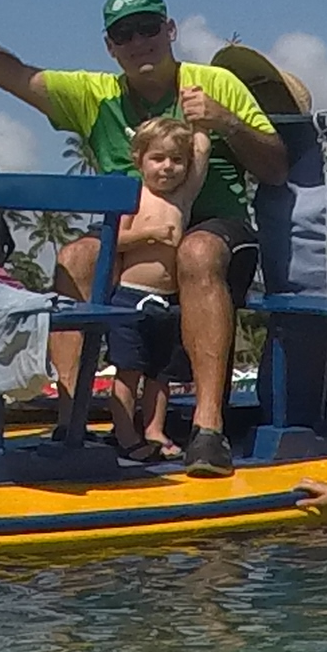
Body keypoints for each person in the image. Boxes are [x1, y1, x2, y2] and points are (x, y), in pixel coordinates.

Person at [0, 0, 285, 475]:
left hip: (217, 235)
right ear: (110, 47)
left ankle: (208, 430)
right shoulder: (95, 95)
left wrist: (226, 122)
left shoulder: (215, 82)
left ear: (170, 30)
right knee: (75, 255)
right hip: (131, 243)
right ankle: (71, 422)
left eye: (148, 28)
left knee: (196, 251)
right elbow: (11, 71)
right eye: (124, 34)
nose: (139, 42)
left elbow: (276, 164)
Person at [96, 116, 207, 462]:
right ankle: (125, 433)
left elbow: (202, 155)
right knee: (128, 370)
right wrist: (149, 236)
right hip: (129, 296)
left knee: (161, 374)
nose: (168, 168)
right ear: (139, 160)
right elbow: (112, 241)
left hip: (167, 299)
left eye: (176, 160)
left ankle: (154, 429)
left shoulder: (182, 199)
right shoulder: (134, 197)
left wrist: (200, 123)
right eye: (158, 159)